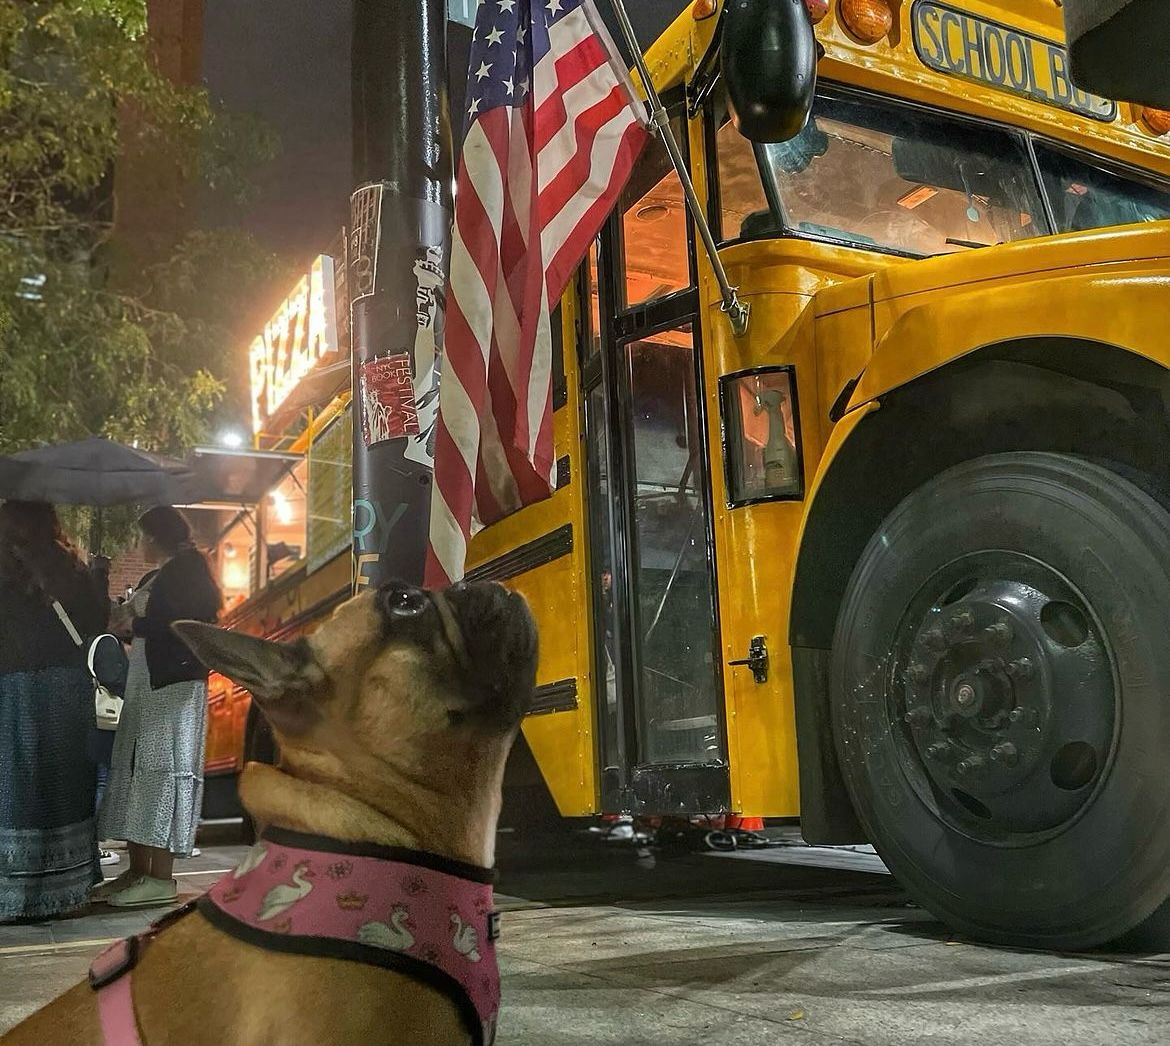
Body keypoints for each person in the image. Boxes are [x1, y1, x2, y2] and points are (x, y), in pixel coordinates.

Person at [95, 507, 221, 907]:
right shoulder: (161, 573)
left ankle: (160, 876)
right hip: (148, 684)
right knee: (139, 773)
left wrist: (135, 625)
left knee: (162, 773)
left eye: (143, 537)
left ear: (157, 536)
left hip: (172, 688)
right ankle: (138, 871)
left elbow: (187, 623)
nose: (139, 545)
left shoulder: (188, 569)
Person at [0, 501, 108, 922]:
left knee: (17, 786)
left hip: (13, 685)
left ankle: (14, 893)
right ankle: (67, 889)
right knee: (65, 783)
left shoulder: (4, 566)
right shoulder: (71, 567)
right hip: (67, 684)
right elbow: (97, 622)